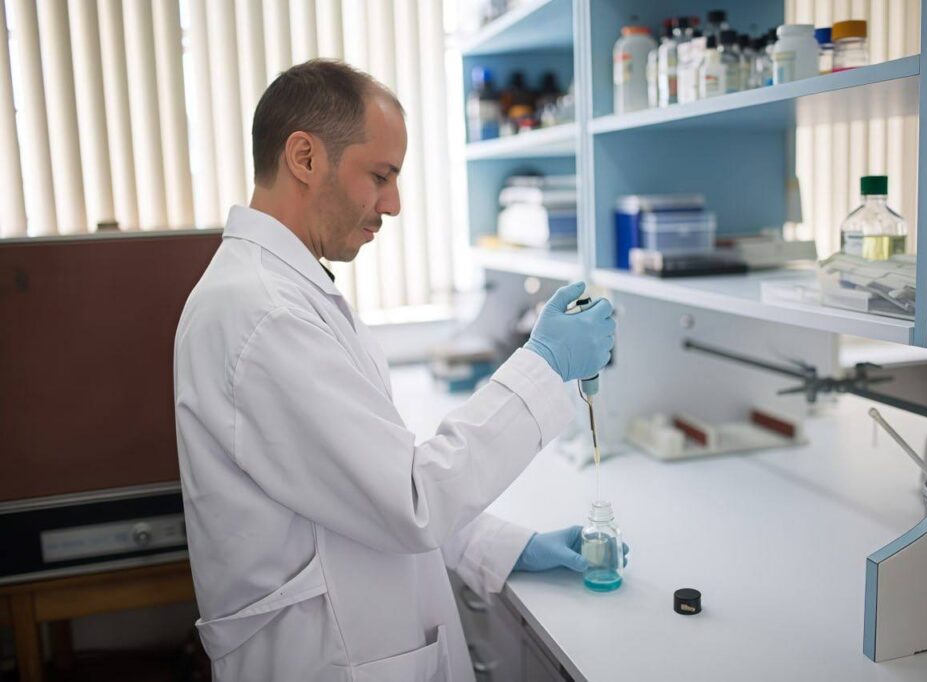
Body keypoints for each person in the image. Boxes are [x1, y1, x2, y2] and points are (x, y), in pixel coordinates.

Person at [174, 60, 616, 681]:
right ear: (304, 157)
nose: (395, 204)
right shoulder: (262, 315)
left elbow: (366, 485)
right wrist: (543, 365)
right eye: (380, 176)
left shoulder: (286, 291)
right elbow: (408, 500)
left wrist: (503, 547)